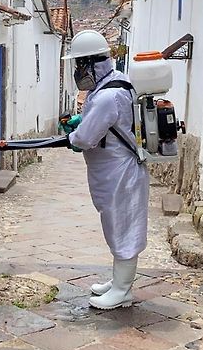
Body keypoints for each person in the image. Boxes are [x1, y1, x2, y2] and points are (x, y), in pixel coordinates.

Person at [60, 29, 149, 310]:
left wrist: (74, 136)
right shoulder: (117, 83)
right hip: (116, 172)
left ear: (91, 64)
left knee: (123, 227)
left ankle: (123, 289)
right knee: (115, 225)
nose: (77, 72)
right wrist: (81, 118)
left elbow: (86, 138)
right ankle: (118, 281)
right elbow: (106, 121)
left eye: (79, 65)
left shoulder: (105, 97)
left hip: (119, 173)